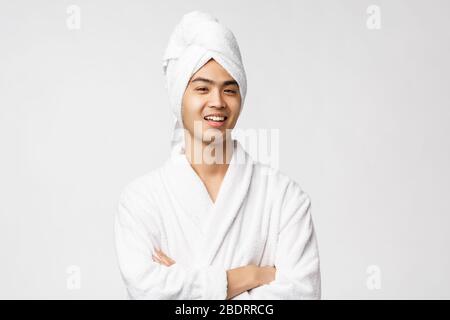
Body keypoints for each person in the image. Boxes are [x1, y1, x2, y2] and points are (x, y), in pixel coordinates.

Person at [114, 10, 321, 300]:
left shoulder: (284, 198)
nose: (217, 102)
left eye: (230, 90)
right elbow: (147, 290)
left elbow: (302, 294)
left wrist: (188, 290)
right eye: (202, 88)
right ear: (179, 97)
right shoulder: (142, 201)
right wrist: (250, 277)